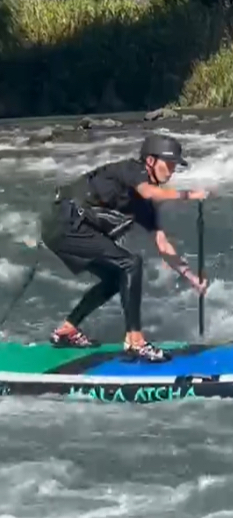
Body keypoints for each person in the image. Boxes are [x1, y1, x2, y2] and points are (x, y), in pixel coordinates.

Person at [40, 133, 210, 362]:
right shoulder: (132, 170)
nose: (171, 171)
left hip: (72, 229)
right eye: (168, 164)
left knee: (115, 277)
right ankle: (135, 342)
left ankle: (67, 330)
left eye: (174, 167)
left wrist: (191, 278)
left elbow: (163, 244)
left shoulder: (145, 206)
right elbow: (151, 192)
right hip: (64, 223)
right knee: (130, 264)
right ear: (150, 161)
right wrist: (189, 194)